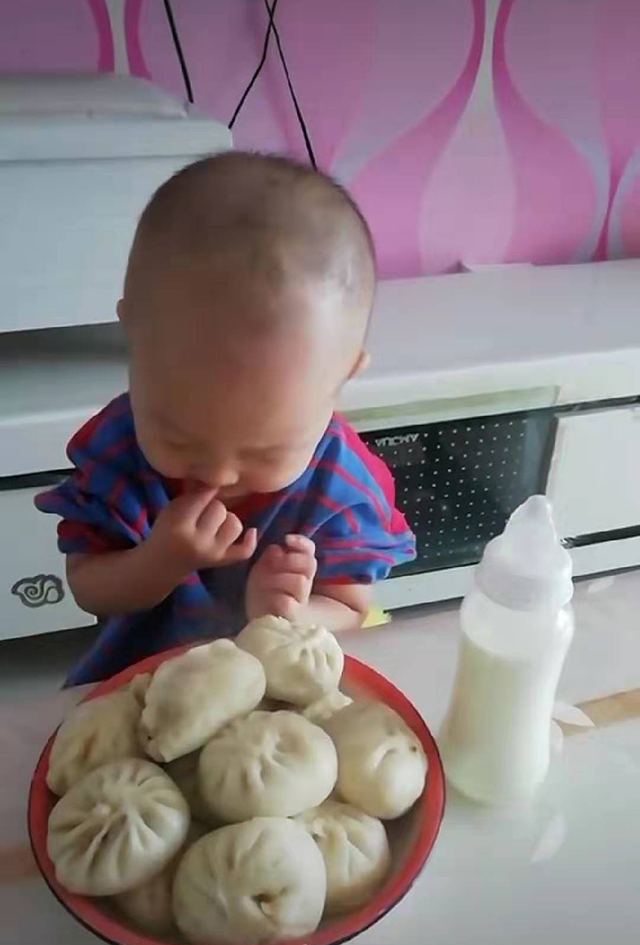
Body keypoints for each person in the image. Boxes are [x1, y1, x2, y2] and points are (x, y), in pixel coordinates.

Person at [36, 152, 415, 685]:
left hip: (281, 690)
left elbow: (351, 609)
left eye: (265, 452)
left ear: (342, 379)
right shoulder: (117, 450)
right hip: (152, 680)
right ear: (132, 337)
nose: (215, 475)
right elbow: (87, 586)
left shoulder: (343, 484)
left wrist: (287, 617)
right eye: (178, 438)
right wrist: (159, 560)